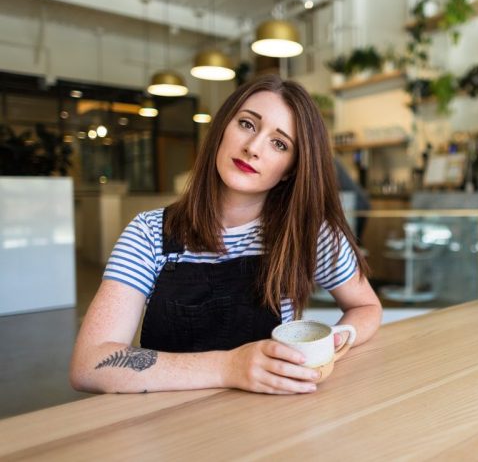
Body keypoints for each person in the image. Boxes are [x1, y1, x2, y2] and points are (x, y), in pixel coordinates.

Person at [70, 74, 382, 395]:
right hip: (165, 423)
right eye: (247, 124)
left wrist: (328, 345)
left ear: (290, 168)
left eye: (279, 143)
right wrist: (229, 367)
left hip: (271, 421)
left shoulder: (308, 233)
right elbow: (88, 364)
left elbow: (367, 308)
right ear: (221, 128)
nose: (252, 148)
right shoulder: (149, 233)